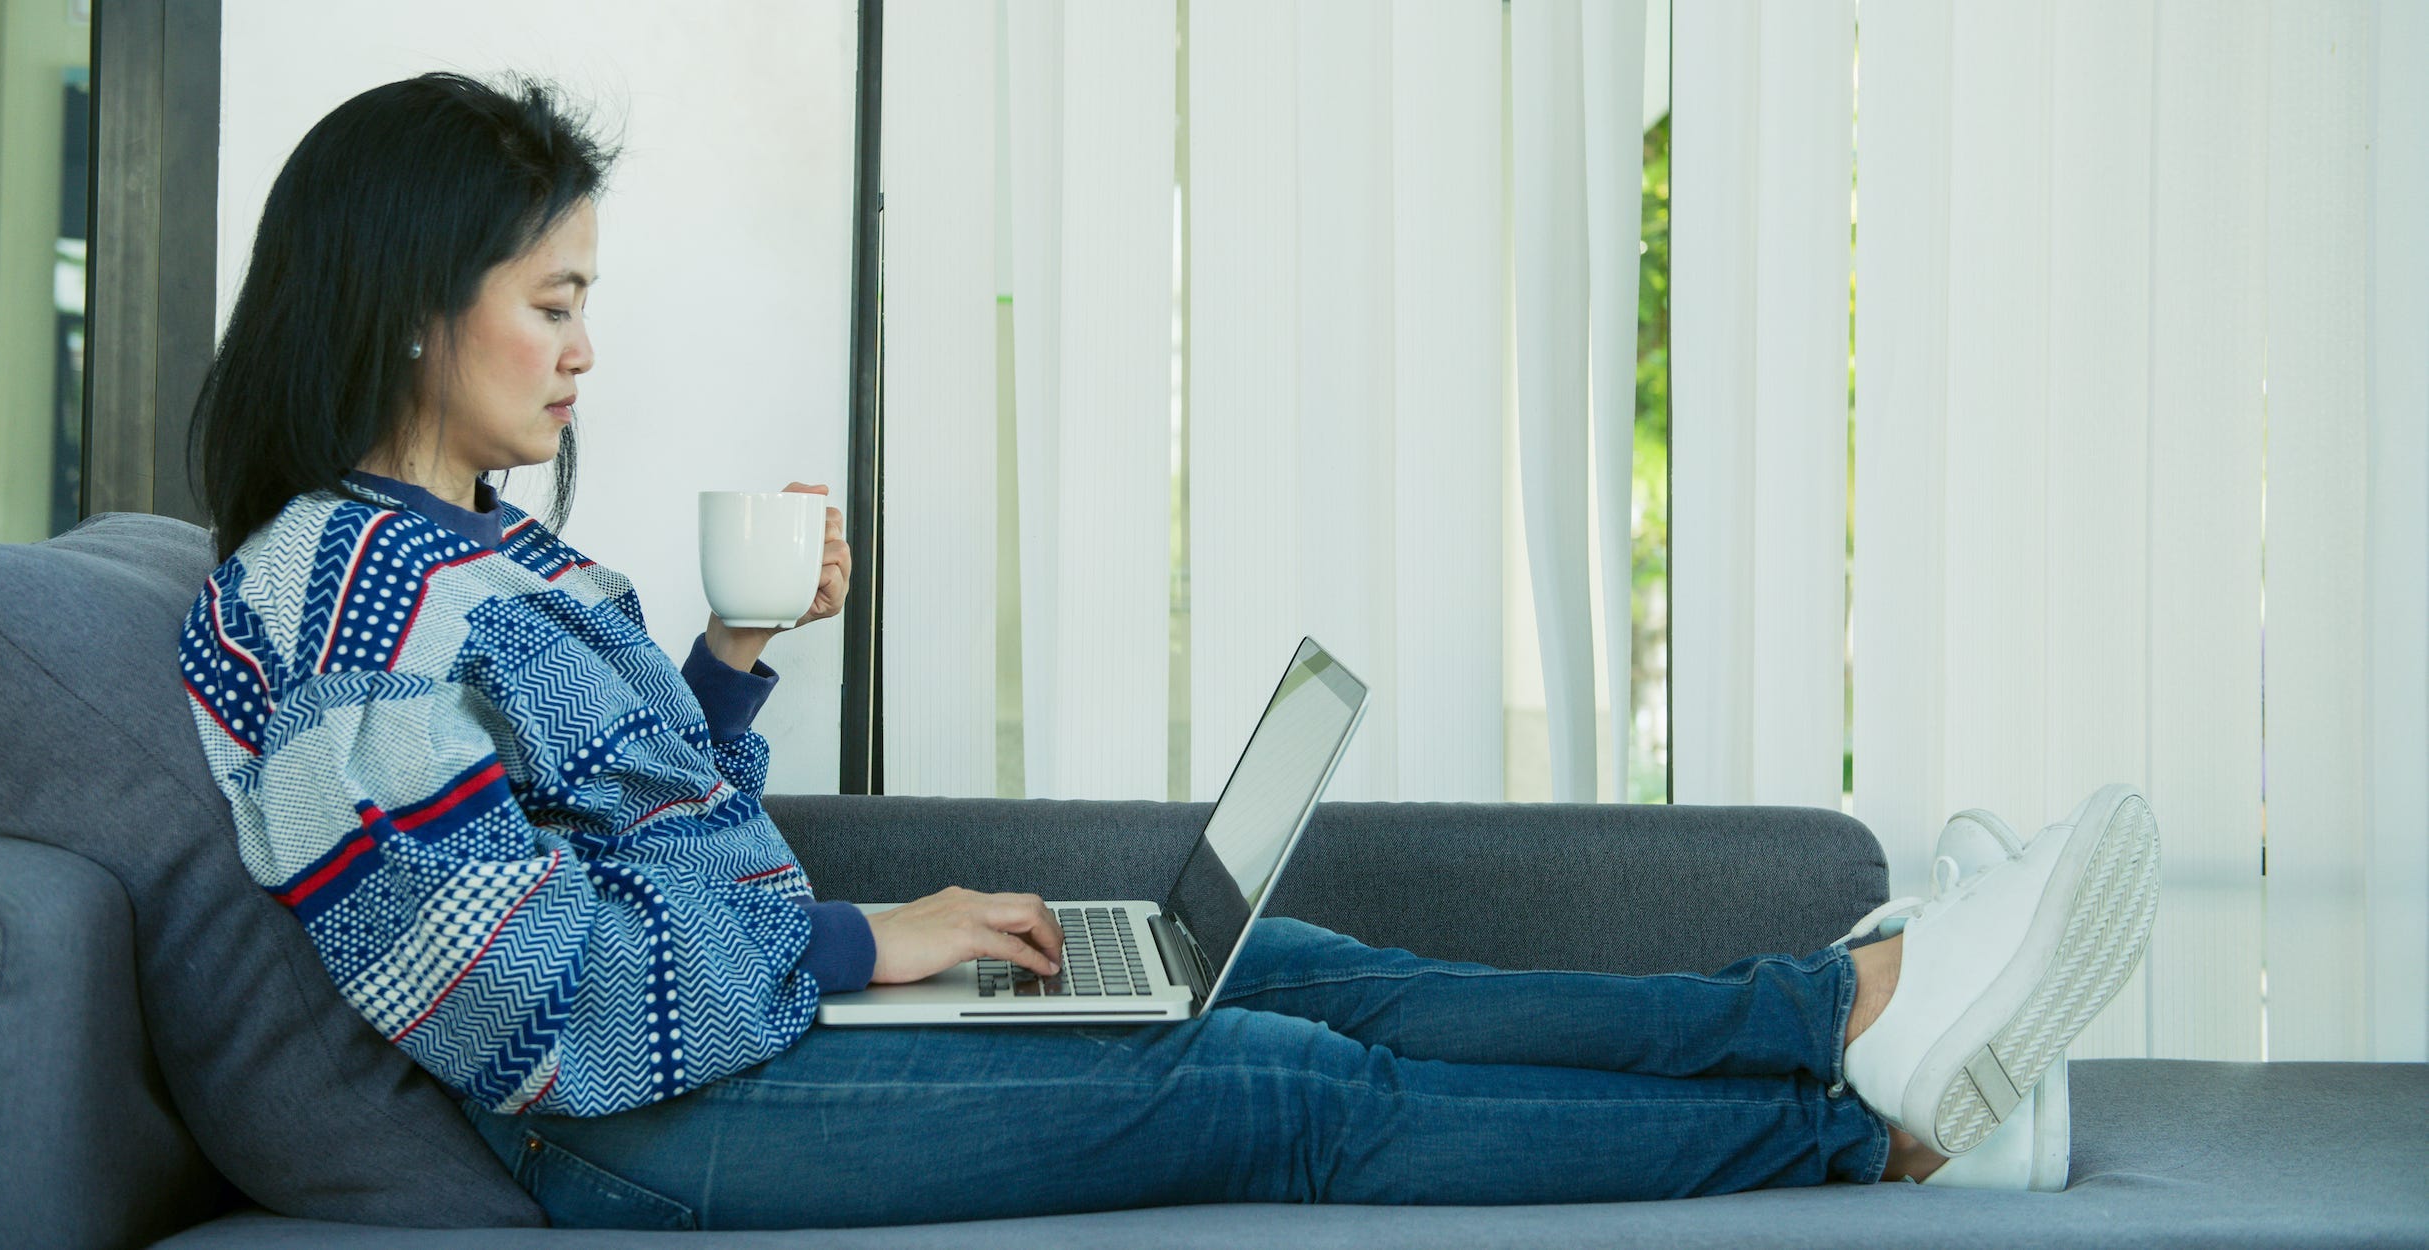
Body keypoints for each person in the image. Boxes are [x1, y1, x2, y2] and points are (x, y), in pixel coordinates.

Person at [181, 73, 2160, 1231]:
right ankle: (1882, 1123)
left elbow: (618, 834)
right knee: (1272, 1077)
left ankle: (1836, 990)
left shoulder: (450, 554)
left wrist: (730, 657)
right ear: (415, 307)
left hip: (736, 1035)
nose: (585, 344)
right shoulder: (337, 613)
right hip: (645, 1124)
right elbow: (534, 995)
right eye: (554, 299)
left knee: (1279, 957)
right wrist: (879, 940)